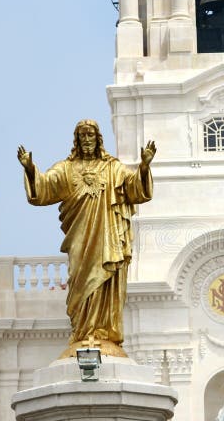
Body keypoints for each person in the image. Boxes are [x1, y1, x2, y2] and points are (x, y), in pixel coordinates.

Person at [17, 119, 155, 357]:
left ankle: (103, 333)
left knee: (105, 279)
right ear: (77, 141)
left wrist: (143, 166)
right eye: (83, 136)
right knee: (81, 281)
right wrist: (30, 168)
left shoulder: (113, 168)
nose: (87, 140)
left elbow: (134, 188)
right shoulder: (67, 169)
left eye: (91, 135)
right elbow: (44, 188)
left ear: (98, 139)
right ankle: (83, 331)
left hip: (107, 236)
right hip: (80, 237)